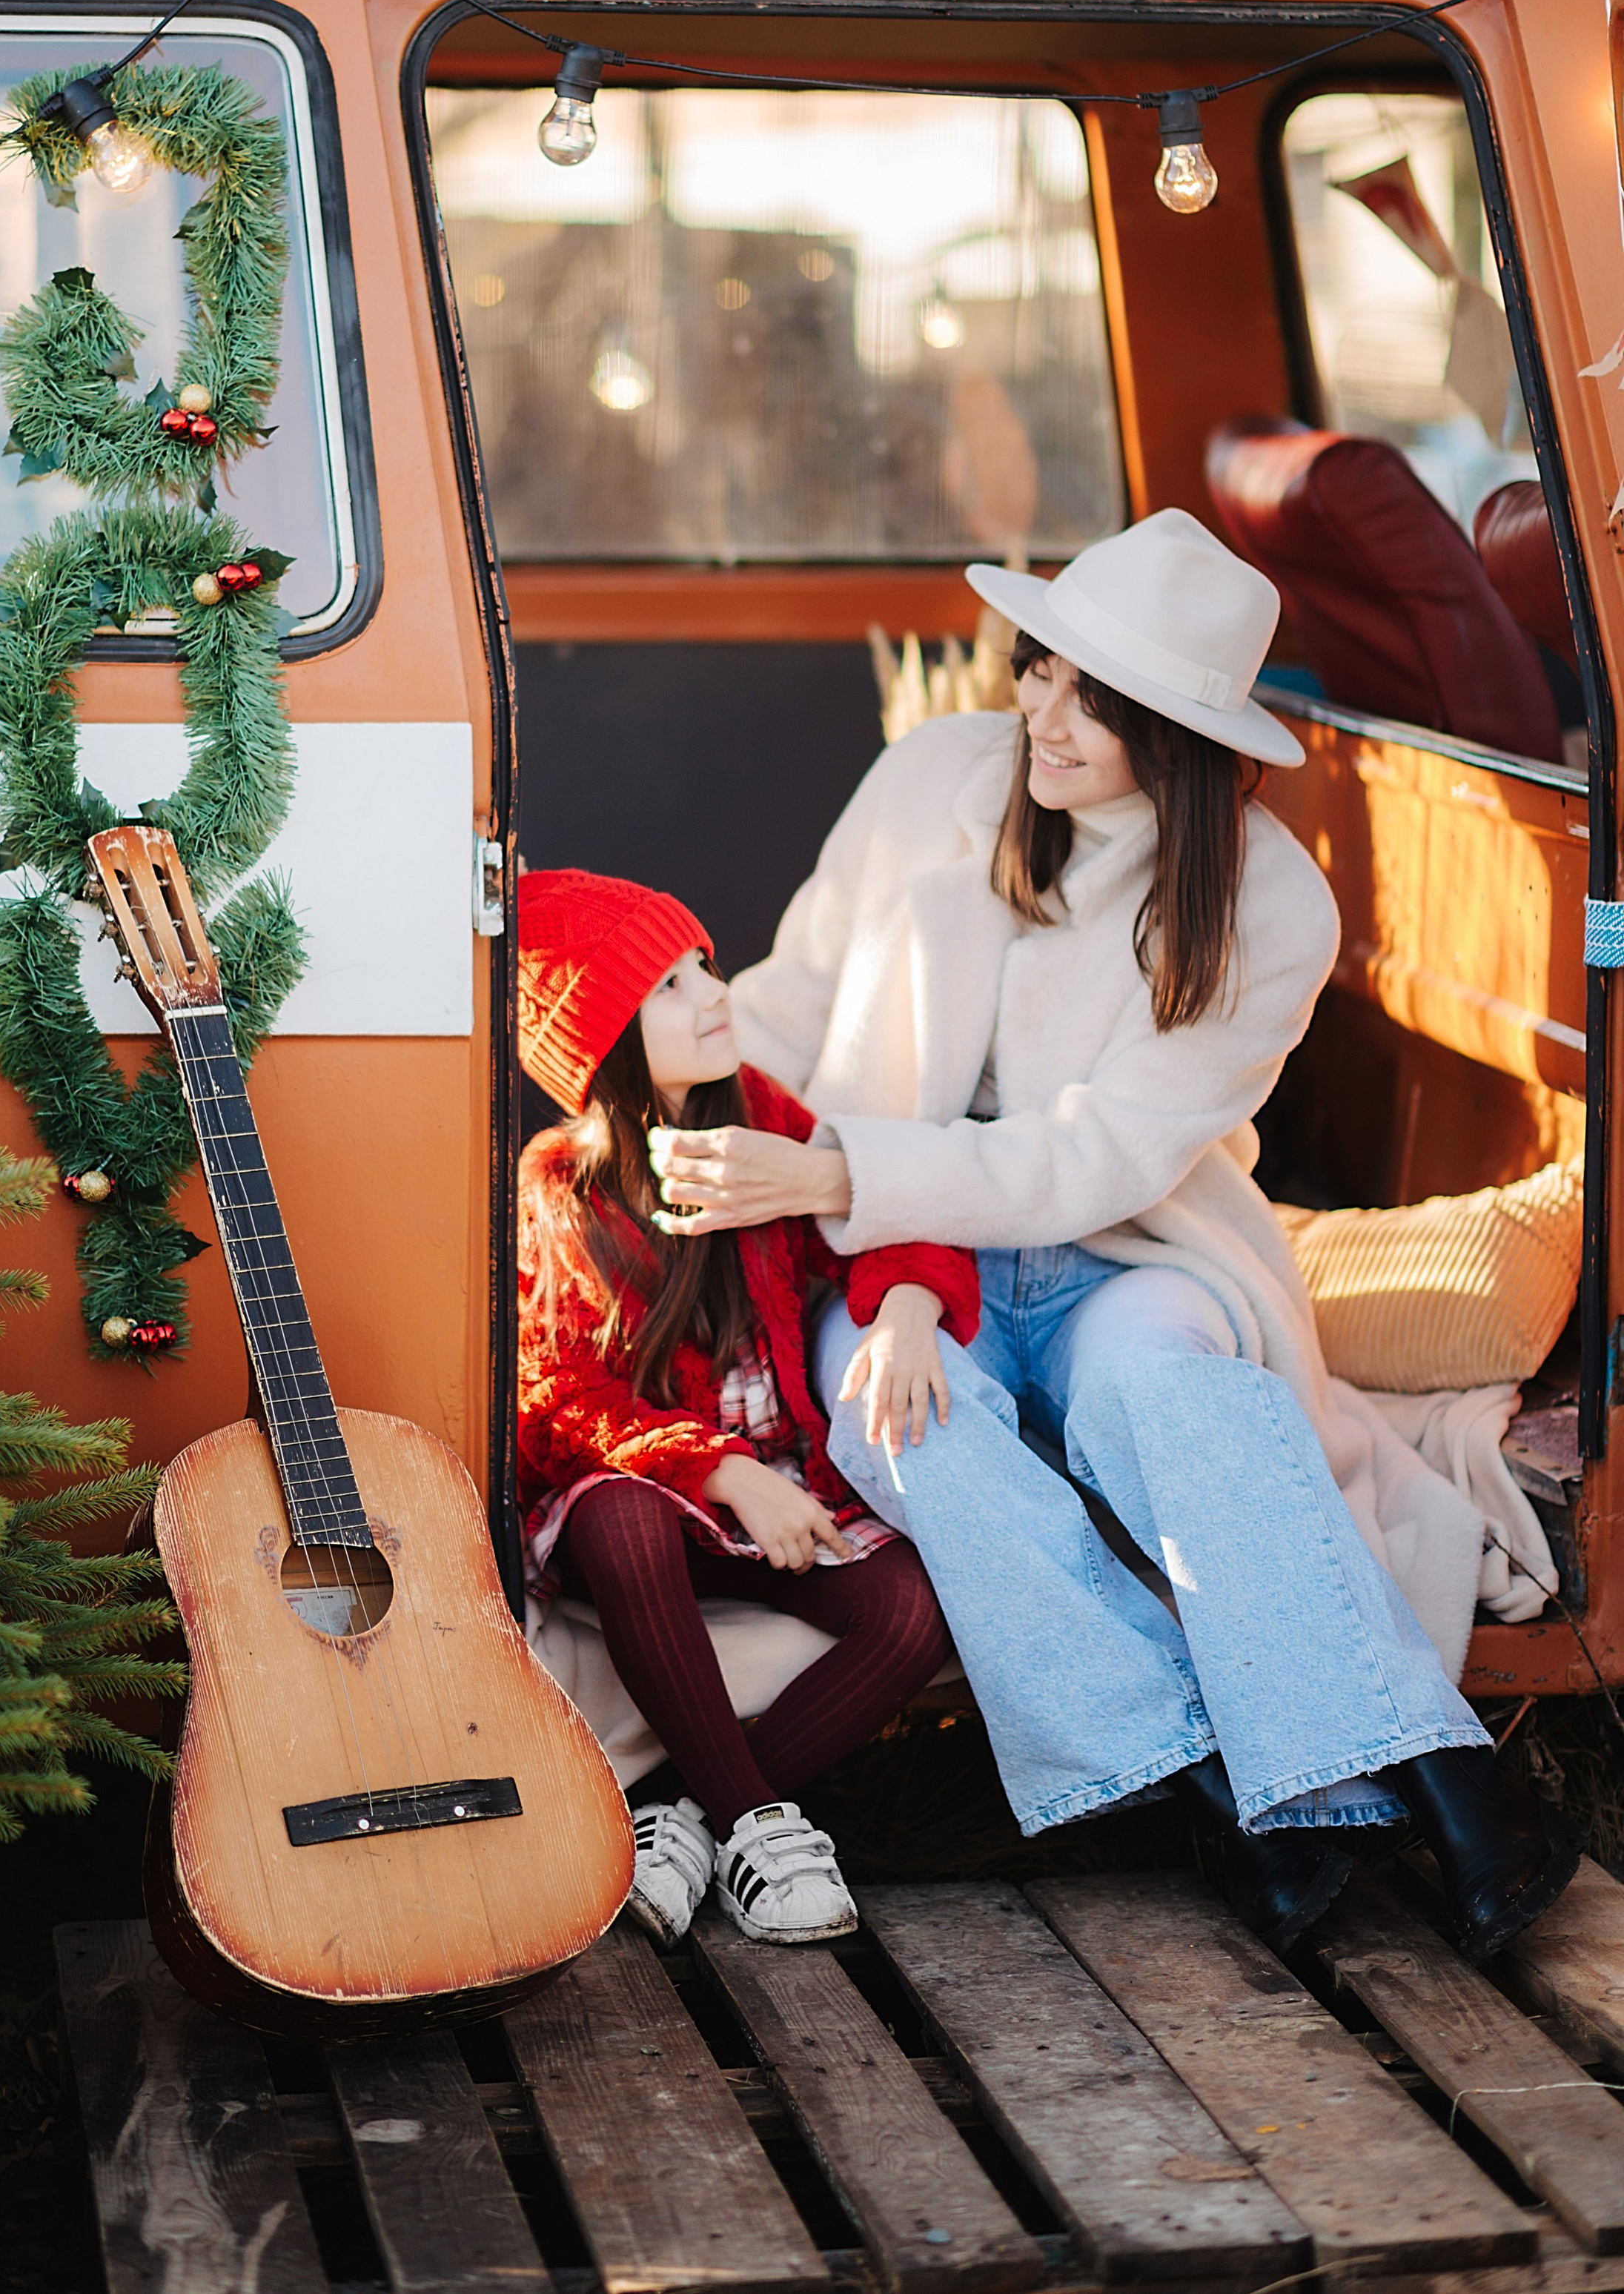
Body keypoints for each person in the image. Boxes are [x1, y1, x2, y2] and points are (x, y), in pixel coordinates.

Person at [649, 509, 1580, 1963]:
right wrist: (675, 1110)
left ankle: (1456, 1790)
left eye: (1096, 697)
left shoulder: (1267, 902)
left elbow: (1095, 1159)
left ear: (1181, 729)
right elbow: (791, 995)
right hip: (891, 1259)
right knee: (910, 1437)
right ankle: (1229, 1784)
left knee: (1177, 1400)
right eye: (1038, 670)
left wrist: (831, 1170)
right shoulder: (928, 785)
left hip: (1125, 1250)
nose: (1042, 712)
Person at [516, 867, 976, 1946]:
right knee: (621, 1518)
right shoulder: (561, 1186)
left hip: (782, 1484)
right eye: (669, 987)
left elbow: (883, 1217)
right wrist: (721, 1473)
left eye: (704, 966)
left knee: (913, 1609)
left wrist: (907, 1310)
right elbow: (555, 1397)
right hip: (668, 1493)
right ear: (608, 1042)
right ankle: (767, 1833)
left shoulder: (761, 1118)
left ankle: (687, 1815)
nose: (712, 992)